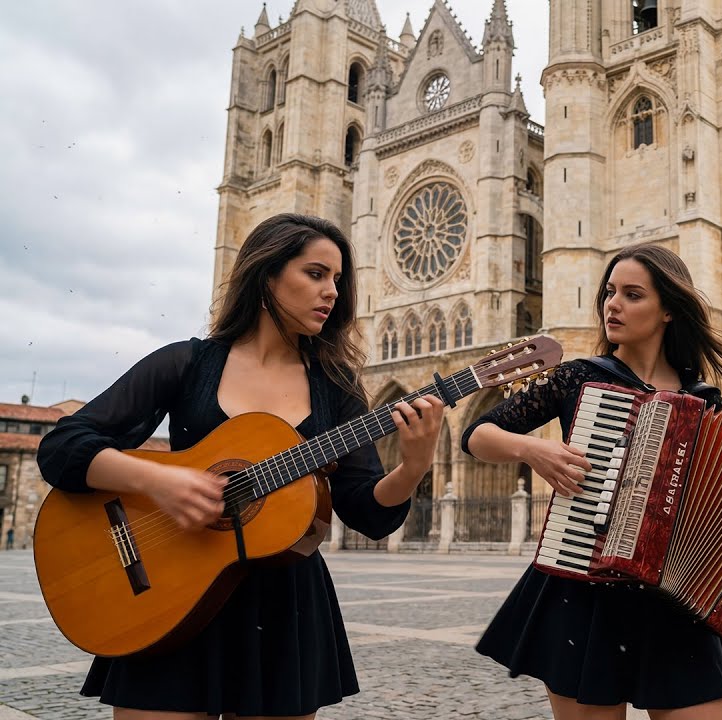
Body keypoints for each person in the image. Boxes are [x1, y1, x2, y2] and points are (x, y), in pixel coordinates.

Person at [37, 213, 445, 720]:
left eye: (338, 280)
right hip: (166, 594)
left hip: (284, 607)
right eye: (316, 274)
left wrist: (413, 467)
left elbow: (367, 510)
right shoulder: (188, 363)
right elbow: (63, 447)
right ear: (267, 273)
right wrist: (160, 480)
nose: (332, 292)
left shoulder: (336, 387)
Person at [463, 243, 722, 720]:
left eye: (632, 294)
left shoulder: (704, 402)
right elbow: (477, 434)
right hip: (583, 593)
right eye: (610, 292)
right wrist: (532, 449)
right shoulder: (578, 378)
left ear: (668, 310)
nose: (613, 304)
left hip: (675, 609)